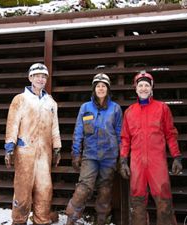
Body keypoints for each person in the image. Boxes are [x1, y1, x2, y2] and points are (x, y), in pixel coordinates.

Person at [119, 71, 183, 225]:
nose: (143, 88)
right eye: (140, 85)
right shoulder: (129, 112)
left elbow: (170, 134)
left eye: (146, 85)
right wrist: (123, 160)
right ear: (135, 89)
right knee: (137, 199)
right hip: (137, 163)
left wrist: (176, 157)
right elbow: (125, 138)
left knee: (163, 197)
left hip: (157, 162)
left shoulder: (162, 108)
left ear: (152, 88)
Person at [4, 63, 62, 225]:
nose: (40, 79)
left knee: (45, 189)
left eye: (44, 76)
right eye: (37, 76)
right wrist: (9, 147)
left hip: (44, 153)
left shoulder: (50, 102)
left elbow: (54, 127)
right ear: (30, 78)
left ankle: (41, 220)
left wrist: (57, 148)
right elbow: (12, 124)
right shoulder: (20, 99)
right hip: (24, 151)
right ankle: (19, 220)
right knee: (23, 189)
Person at [64, 73, 122, 225]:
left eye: (104, 86)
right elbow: (78, 132)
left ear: (108, 89)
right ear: (94, 89)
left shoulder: (115, 109)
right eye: (98, 86)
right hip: (90, 155)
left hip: (109, 156)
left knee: (105, 190)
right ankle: (71, 218)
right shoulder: (85, 108)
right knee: (83, 188)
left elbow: (120, 133)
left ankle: (101, 220)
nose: (101, 88)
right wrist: (76, 154)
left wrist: (121, 158)